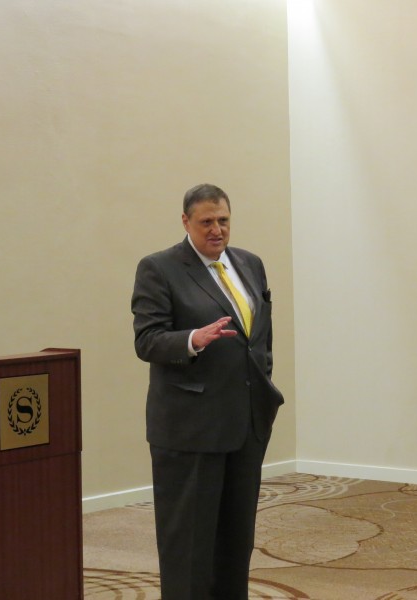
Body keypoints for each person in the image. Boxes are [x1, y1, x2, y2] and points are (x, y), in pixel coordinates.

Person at [131, 183, 284, 600]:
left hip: (245, 425)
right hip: (191, 430)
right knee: (190, 547)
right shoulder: (159, 268)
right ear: (186, 222)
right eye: (206, 222)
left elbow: (260, 338)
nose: (217, 230)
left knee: (235, 542)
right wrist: (192, 339)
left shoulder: (250, 264)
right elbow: (147, 340)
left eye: (223, 220)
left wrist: (265, 386)